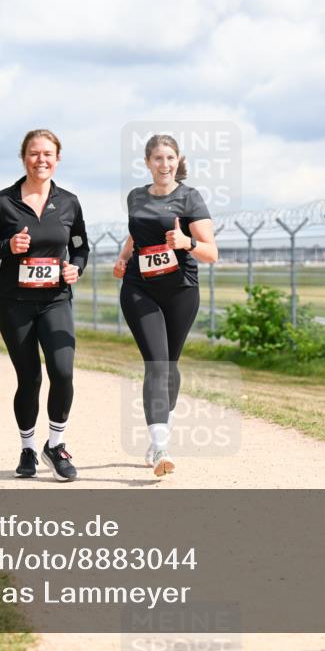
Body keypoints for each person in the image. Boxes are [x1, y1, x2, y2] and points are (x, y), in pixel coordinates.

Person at [0, 129, 89, 482]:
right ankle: (27, 448)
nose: (41, 159)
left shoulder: (69, 202)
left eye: (48, 153)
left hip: (55, 300)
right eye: (35, 153)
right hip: (14, 302)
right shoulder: (2, 202)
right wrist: (7, 246)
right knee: (30, 377)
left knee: (63, 371)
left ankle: (57, 445)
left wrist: (75, 267)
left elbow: (81, 246)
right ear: (24, 158)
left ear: (58, 158)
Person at [113, 134, 219, 477]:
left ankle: (163, 429)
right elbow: (136, 233)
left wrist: (186, 241)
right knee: (156, 363)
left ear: (178, 161)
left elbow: (211, 252)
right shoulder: (135, 197)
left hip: (180, 291)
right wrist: (123, 257)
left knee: (170, 364)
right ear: (147, 162)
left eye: (170, 158)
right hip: (139, 288)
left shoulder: (190, 198)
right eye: (158, 158)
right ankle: (161, 446)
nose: (164, 164)